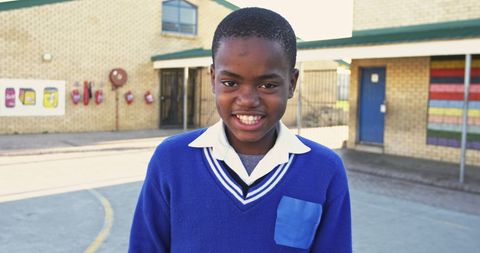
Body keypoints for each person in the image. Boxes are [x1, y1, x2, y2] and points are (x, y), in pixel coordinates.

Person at [129, 7, 351, 253]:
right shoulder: (172, 159)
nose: (247, 99)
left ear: (291, 83)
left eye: (267, 84)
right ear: (213, 78)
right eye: (231, 83)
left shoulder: (324, 169)